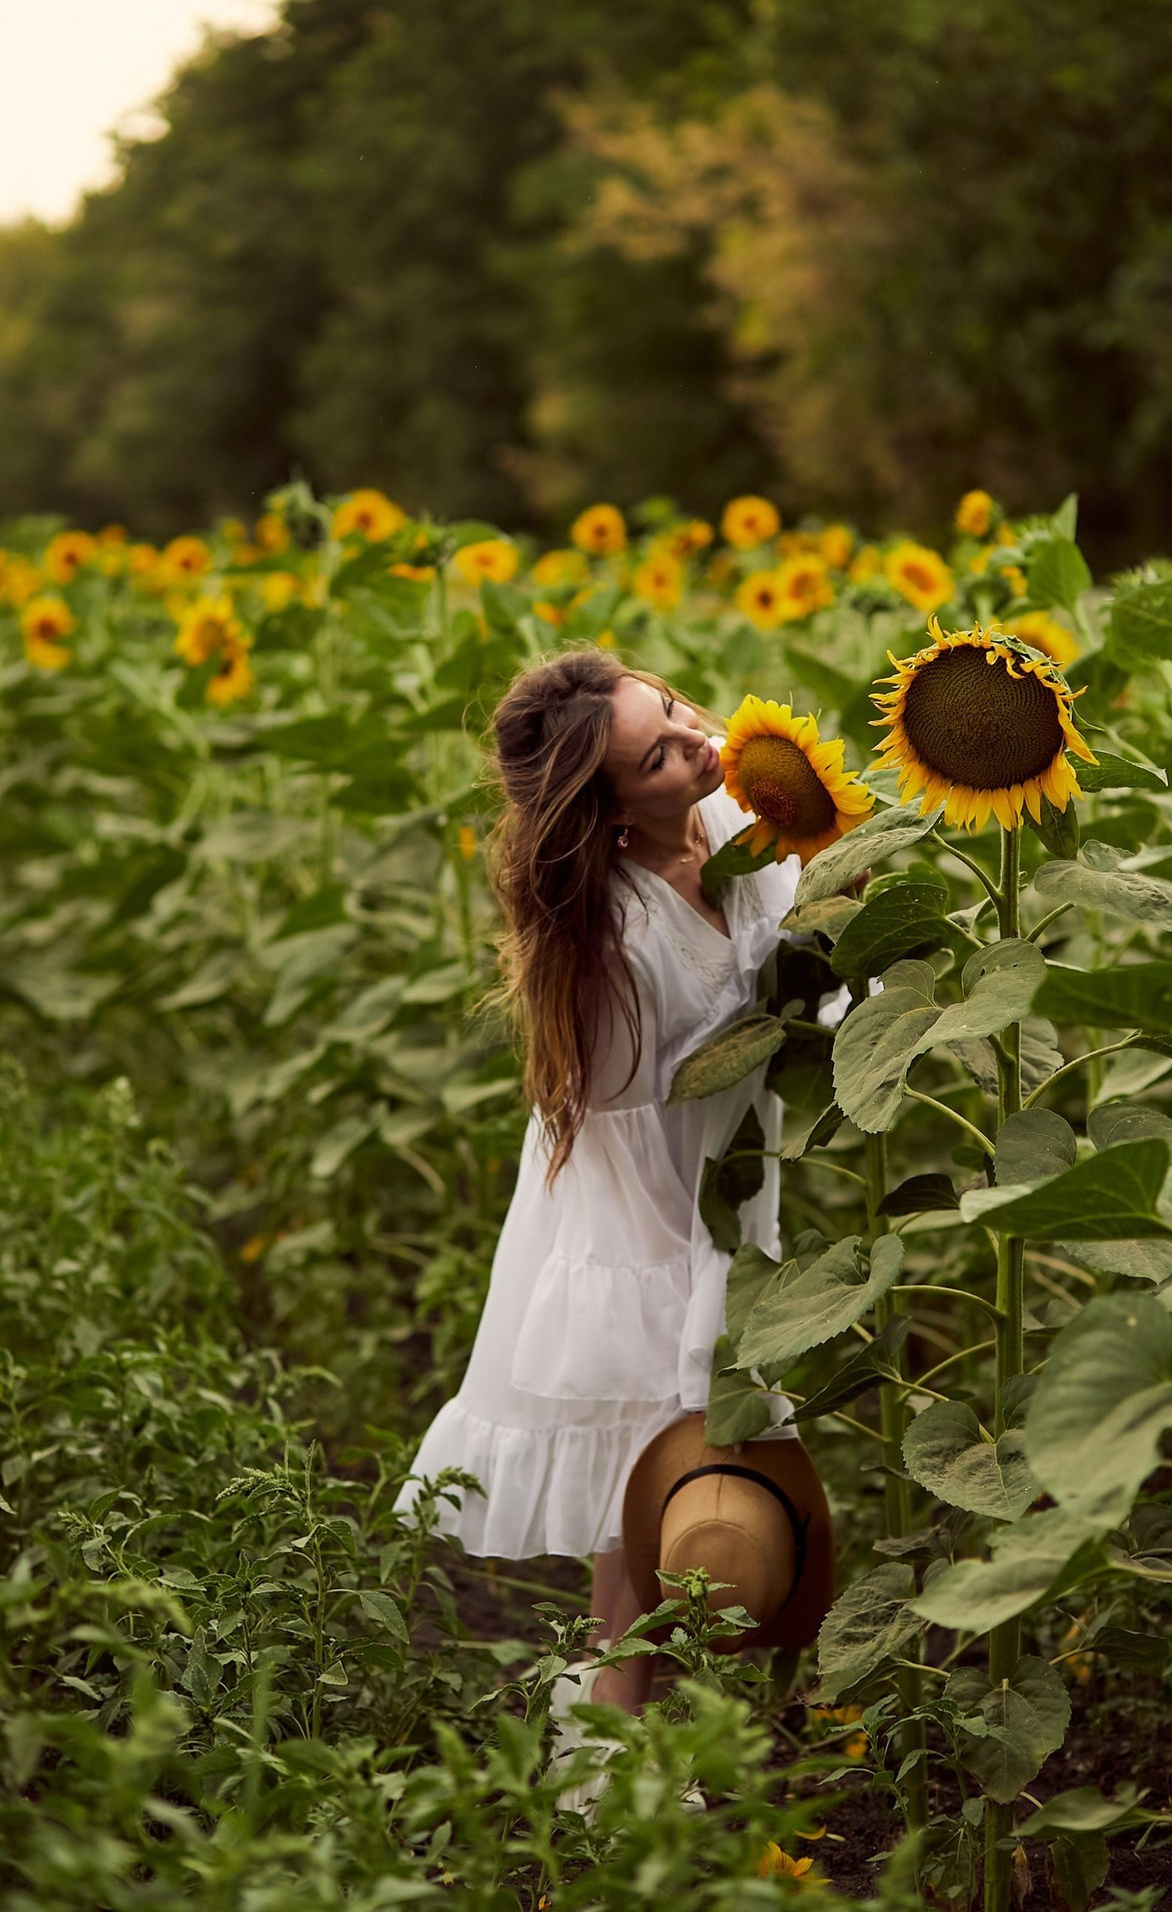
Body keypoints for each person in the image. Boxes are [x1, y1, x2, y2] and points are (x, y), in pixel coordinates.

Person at [394, 647, 809, 1713]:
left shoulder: (728, 826)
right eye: (659, 756)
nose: (695, 746)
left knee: (666, 1489)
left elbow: (800, 958)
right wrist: (692, 1286)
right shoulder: (612, 943)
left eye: (673, 713)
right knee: (651, 1470)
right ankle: (604, 1756)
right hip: (641, 1215)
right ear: (612, 812)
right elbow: (645, 1112)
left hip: (725, 1182)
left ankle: (609, 1743)